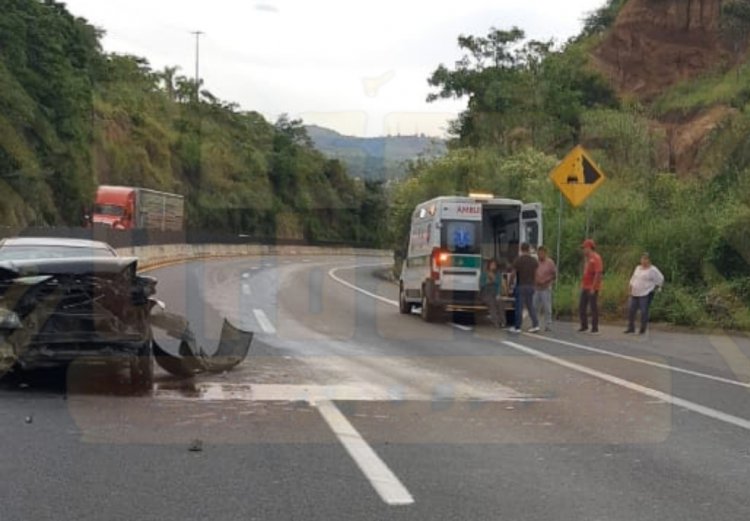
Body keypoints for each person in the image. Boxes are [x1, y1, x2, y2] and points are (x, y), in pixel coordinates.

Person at [625, 252, 665, 335]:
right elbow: (633, 278)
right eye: (642, 259)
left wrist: (657, 288)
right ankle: (631, 328)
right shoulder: (638, 268)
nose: (643, 261)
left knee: (644, 311)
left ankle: (642, 329)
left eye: (645, 259)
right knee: (631, 310)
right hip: (635, 292)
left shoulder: (653, 270)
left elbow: (660, 279)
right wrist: (630, 287)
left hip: (645, 293)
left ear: (649, 260)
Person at [509, 243, 540, 334]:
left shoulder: (518, 260)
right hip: (531, 286)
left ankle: (517, 327)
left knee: (519, 307)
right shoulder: (534, 261)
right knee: (530, 306)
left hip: (521, 285)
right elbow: (536, 274)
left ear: (521, 249)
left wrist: (510, 284)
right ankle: (535, 325)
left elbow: (513, 274)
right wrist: (535, 285)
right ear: (529, 249)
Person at [579, 239, 603, 334]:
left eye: (584, 248)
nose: (583, 250)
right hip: (585, 286)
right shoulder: (587, 259)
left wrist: (593, 287)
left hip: (592, 287)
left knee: (593, 307)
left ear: (589, 248)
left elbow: (598, 273)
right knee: (582, 306)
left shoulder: (596, 258)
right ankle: (584, 326)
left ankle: (594, 328)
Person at [534, 246, 557, 332]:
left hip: (546, 287)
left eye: (542, 253)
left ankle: (548, 324)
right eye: (539, 253)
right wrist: (536, 280)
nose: (540, 255)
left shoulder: (550, 262)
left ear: (545, 253)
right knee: (535, 307)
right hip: (536, 287)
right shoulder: (535, 262)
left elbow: (554, 275)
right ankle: (535, 324)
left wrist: (546, 280)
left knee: (547, 307)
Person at [480, 259, 505, 328]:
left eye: (494, 265)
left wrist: (498, 294)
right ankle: (496, 322)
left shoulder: (498, 275)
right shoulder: (484, 274)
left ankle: (502, 321)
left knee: (500, 303)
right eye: (492, 265)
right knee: (492, 304)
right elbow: (481, 285)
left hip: (495, 293)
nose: (493, 266)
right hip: (486, 293)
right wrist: (487, 282)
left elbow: (499, 285)